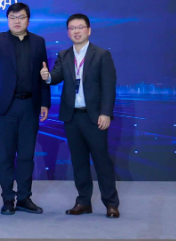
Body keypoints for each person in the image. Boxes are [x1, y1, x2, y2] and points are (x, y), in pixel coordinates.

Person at [0, 3, 51, 215]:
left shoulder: (38, 42)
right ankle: (7, 199)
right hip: (6, 106)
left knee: (26, 155)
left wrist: (44, 102)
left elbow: (44, 73)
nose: (16, 21)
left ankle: (24, 198)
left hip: (30, 105)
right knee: (6, 155)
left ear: (28, 20)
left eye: (21, 17)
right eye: (12, 17)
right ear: (8, 20)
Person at [40, 14, 120, 218]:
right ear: (68, 32)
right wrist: (47, 77)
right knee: (79, 162)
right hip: (72, 117)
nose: (76, 31)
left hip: (95, 117)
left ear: (89, 30)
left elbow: (109, 87)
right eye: (72, 28)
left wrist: (106, 113)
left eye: (80, 27)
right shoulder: (64, 55)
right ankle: (83, 202)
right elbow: (56, 77)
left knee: (102, 161)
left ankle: (111, 203)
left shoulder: (101, 55)